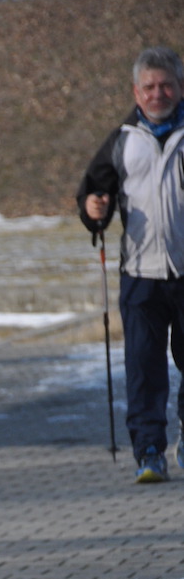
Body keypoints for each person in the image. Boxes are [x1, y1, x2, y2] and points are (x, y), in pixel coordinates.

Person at [77, 46, 184, 483]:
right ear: (136, 93)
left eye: (166, 85)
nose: (158, 94)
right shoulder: (122, 139)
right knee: (143, 369)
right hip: (141, 275)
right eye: (149, 87)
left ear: (180, 87)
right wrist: (93, 209)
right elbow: (93, 193)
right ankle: (149, 452)